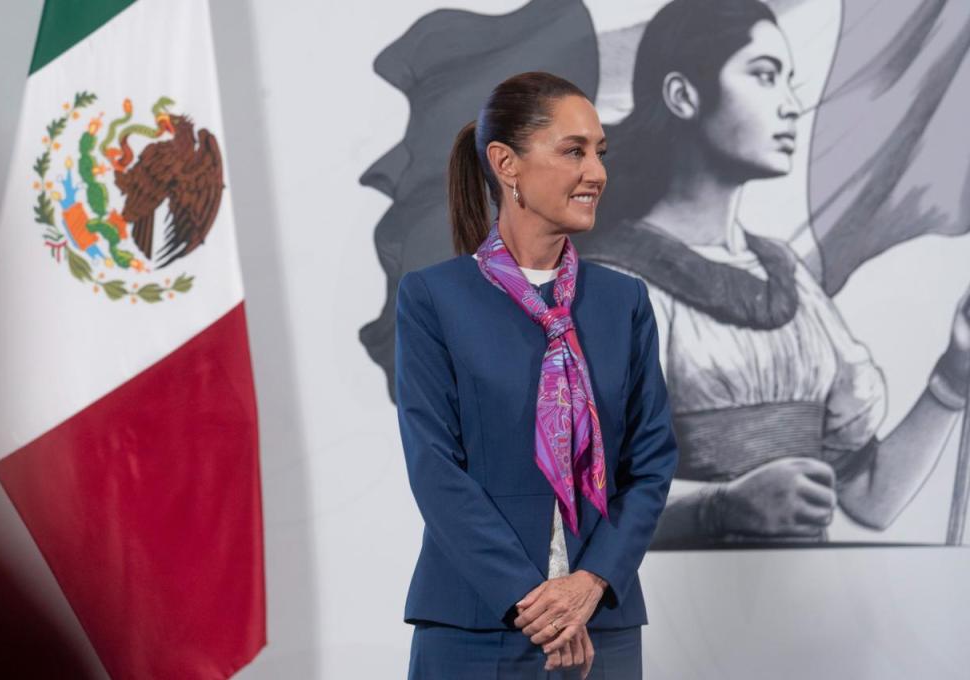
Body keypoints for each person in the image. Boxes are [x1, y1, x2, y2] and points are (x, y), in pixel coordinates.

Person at [575, 0, 970, 547]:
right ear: (683, 96)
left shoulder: (790, 281)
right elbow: (573, 513)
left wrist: (954, 374)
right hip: (676, 621)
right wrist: (719, 509)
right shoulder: (612, 288)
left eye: (789, 80)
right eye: (764, 76)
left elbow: (869, 499)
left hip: (798, 622)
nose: (791, 105)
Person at [394, 72, 678, 678]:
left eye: (601, 151)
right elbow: (434, 467)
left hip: (600, 625)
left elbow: (651, 463)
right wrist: (534, 601)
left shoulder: (623, 302)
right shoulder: (433, 298)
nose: (596, 172)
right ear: (506, 164)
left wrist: (590, 582)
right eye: (574, 150)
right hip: (477, 624)